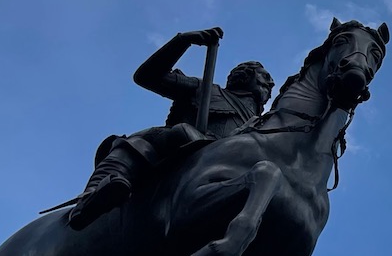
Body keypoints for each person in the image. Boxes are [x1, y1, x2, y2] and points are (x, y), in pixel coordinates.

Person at [65, 28, 274, 231]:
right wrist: (181, 41)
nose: (271, 82)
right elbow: (147, 77)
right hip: (180, 149)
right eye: (264, 76)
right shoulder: (206, 89)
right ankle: (92, 197)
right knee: (144, 142)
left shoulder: (262, 125)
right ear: (244, 76)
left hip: (222, 176)